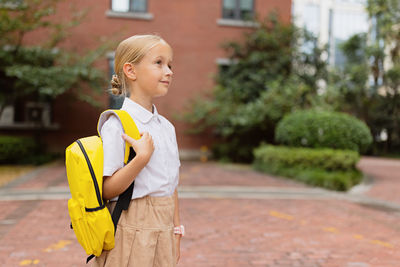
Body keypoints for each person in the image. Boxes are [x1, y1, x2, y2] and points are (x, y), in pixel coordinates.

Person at [93, 34, 183, 267]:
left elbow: (171, 186)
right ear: (131, 71)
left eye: (170, 65)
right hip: (130, 228)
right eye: (159, 63)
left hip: (164, 228)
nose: (169, 71)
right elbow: (106, 189)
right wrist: (141, 158)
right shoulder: (118, 124)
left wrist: (176, 231)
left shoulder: (166, 127)